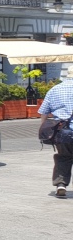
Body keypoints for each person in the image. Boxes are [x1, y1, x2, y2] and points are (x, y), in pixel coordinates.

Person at [40, 66, 73, 196]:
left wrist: (43, 127)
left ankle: (61, 184)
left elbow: (44, 112)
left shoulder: (55, 89)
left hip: (61, 131)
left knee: (63, 157)